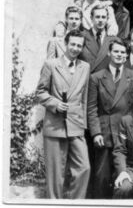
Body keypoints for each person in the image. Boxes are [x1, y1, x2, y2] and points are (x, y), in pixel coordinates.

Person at [36, 30, 91, 199]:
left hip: (76, 124)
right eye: (73, 44)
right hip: (55, 124)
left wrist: (84, 125)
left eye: (79, 46)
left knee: (84, 167)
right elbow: (40, 92)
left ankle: (75, 202)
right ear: (66, 44)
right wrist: (54, 103)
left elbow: (85, 97)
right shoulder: (51, 64)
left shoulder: (85, 67)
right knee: (55, 175)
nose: (75, 48)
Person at [87, 38, 133, 198]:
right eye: (116, 51)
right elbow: (91, 108)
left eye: (123, 52)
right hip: (104, 134)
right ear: (109, 53)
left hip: (125, 134)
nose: (119, 55)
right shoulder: (96, 77)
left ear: (127, 55)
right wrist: (96, 133)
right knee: (101, 177)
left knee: (123, 175)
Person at [79, 4, 116, 73]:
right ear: (91, 18)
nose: (100, 20)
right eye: (97, 17)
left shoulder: (113, 40)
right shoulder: (82, 37)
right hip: (87, 80)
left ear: (107, 19)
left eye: (103, 17)